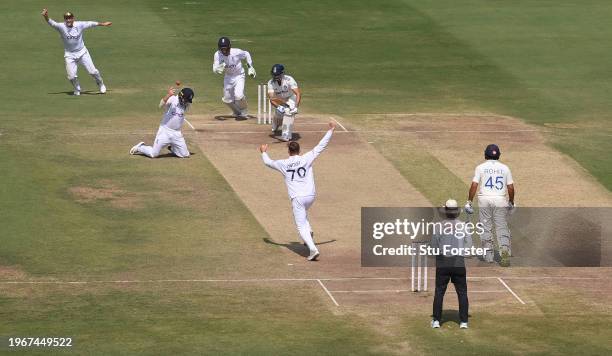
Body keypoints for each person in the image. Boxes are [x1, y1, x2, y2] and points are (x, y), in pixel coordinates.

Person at [259, 122, 336, 261]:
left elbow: (268, 163)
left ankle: (312, 249)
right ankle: (309, 231)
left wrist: (264, 152)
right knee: (303, 218)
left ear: (289, 152)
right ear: (299, 151)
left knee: (300, 225)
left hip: (297, 198)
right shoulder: (307, 157)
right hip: (311, 196)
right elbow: (321, 146)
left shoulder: (283, 163)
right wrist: (330, 130)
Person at [464, 144, 515, 267]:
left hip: (484, 200)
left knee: (486, 227)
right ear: (498, 155)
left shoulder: (480, 167)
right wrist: (511, 202)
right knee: (501, 227)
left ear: (485, 155)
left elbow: (474, 185)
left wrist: (469, 202)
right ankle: (504, 253)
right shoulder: (505, 168)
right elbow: (510, 187)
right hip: (500, 200)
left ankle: (488, 256)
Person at [41, 8, 112, 96]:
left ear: (73, 18)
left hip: (82, 52)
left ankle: (100, 83)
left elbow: (90, 23)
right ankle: (77, 88)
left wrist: (103, 24)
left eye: (70, 18)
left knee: (93, 72)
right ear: (65, 20)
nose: (68, 20)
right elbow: (52, 23)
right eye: (66, 18)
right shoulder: (61, 27)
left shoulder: (79, 25)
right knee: (71, 76)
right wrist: (46, 16)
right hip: (69, 55)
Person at [430, 199, 472, 329]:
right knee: (462, 292)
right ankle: (464, 322)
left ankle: (436, 320)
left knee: (439, 292)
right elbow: (469, 245)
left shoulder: (438, 226)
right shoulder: (463, 226)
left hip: (443, 262)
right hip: (458, 261)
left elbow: (433, 246)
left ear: (446, 212)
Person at [130, 87, 195, 158]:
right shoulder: (172, 99)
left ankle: (173, 148)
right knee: (153, 154)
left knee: (185, 155)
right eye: (186, 100)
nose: (187, 102)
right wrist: (168, 95)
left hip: (177, 133)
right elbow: (160, 105)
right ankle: (140, 147)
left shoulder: (186, 105)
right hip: (165, 131)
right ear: (181, 96)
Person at [212, 37, 256, 119]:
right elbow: (214, 68)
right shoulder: (217, 55)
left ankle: (244, 110)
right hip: (228, 77)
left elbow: (246, 54)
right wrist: (217, 70)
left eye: (226, 49)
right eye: (222, 49)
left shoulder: (236, 52)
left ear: (229, 47)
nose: (224, 51)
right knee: (227, 99)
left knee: (238, 95)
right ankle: (237, 112)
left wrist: (250, 67)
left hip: (239, 75)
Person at [267, 64, 301, 141]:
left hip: (291, 97)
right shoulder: (270, 83)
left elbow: (298, 93)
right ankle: (275, 123)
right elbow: (272, 99)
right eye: (274, 75)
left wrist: (296, 107)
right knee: (279, 114)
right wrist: (279, 107)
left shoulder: (289, 79)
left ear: (282, 73)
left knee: (289, 111)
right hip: (279, 99)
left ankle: (286, 136)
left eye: (277, 75)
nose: (276, 77)